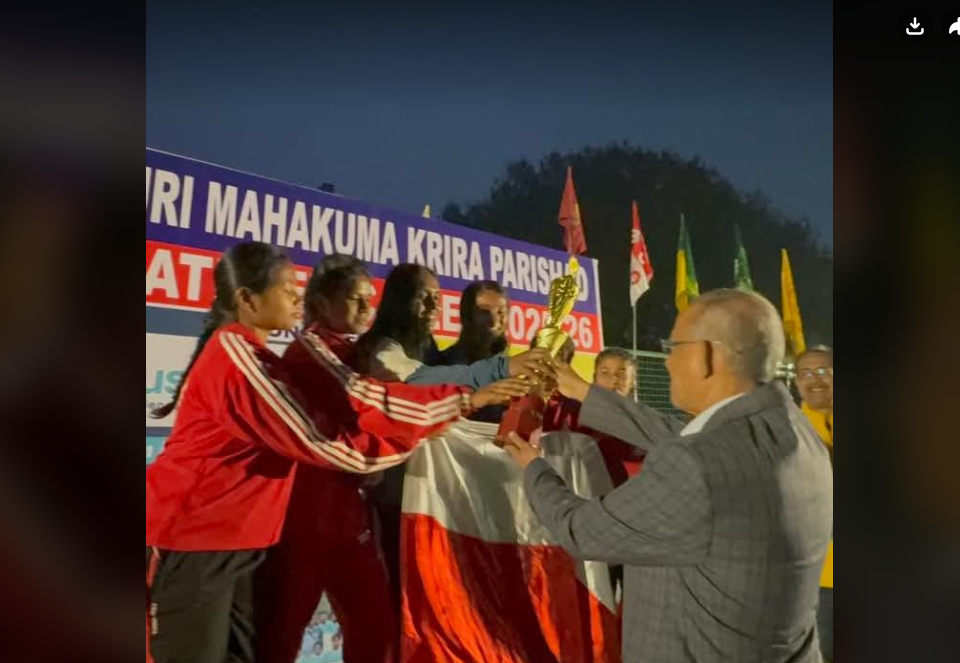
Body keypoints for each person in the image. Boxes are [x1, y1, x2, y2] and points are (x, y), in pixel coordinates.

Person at [145, 243, 522, 663]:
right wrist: (464, 401)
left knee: (369, 632)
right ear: (248, 299)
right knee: (267, 643)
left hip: (272, 532)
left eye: (369, 297)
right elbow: (344, 428)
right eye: (288, 288)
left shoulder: (281, 355)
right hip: (211, 535)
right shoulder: (263, 357)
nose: (296, 296)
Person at [503, 288, 833, 663]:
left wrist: (534, 468)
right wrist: (581, 390)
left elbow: (583, 530)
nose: (667, 362)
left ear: (705, 356)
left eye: (673, 347)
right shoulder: (795, 431)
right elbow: (684, 437)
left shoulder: (697, 465)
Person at [354, 263, 556, 620]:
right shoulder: (392, 351)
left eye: (437, 298)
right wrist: (487, 385)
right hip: (407, 496)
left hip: (473, 499)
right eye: (424, 298)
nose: (433, 307)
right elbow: (422, 382)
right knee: (407, 599)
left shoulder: (428, 346)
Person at [795, 345, 834, 662]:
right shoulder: (790, 428)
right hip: (817, 576)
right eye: (806, 373)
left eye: (823, 371)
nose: (815, 380)